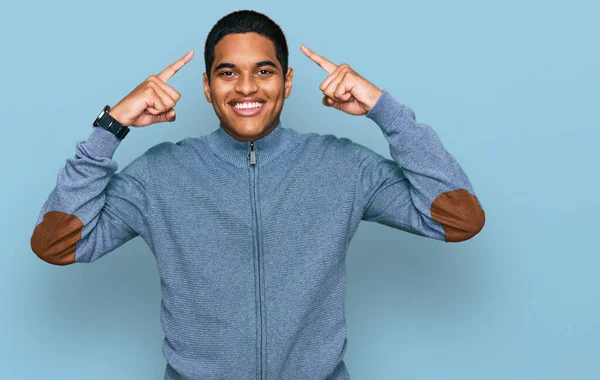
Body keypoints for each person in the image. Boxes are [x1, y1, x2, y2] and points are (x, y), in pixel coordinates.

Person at [30, 9, 485, 380]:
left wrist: (385, 111)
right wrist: (113, 125)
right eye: (227, 73)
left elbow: (459, 219)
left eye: (263, 71)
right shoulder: (158, 176)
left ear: (286, 83)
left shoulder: (344, 167)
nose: (246, 87)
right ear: (207, 88)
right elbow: (56, 244)